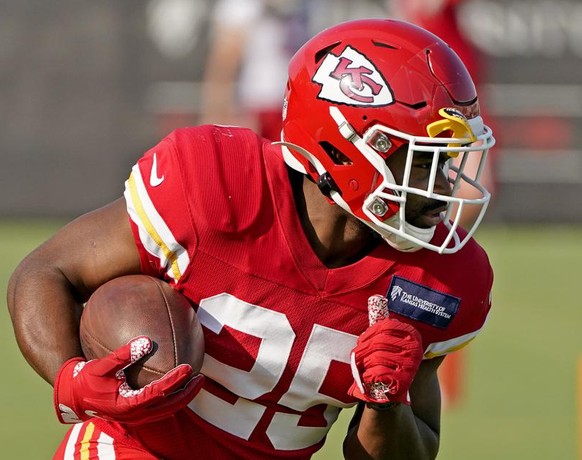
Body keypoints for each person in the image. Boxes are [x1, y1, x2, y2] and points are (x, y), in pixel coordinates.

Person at [7, 19, 495, 460]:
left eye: (448, 160)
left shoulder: (439, 278)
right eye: (424, 159)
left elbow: (412, 448)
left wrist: (385, 404)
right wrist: (69, 379)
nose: (446, 184)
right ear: (347, 147)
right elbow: (46, 271)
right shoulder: (216, 184)